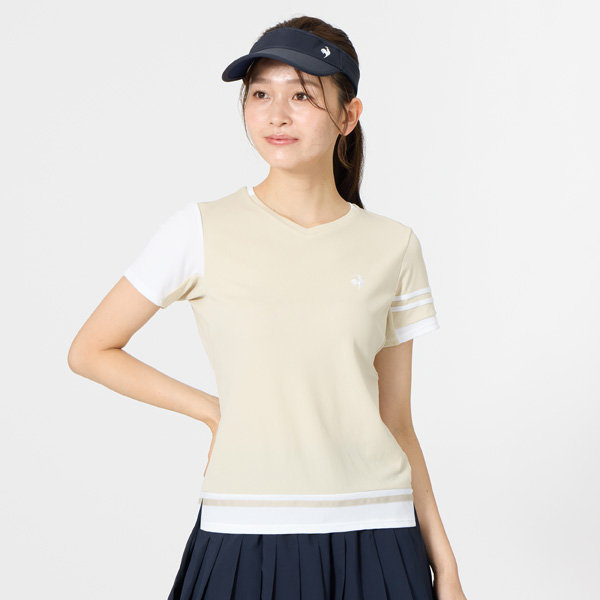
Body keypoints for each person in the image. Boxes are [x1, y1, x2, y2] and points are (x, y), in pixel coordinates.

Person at [68, 14, 467, 600]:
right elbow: (90, 350)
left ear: (349, 116)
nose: (276, 114)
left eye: (302, 95)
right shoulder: (199, 230)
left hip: (379, 529)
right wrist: (211, 411)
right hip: (246, 528)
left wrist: (446, 568)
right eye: (260, 94)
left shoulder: (393, 245)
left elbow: (397, 422)